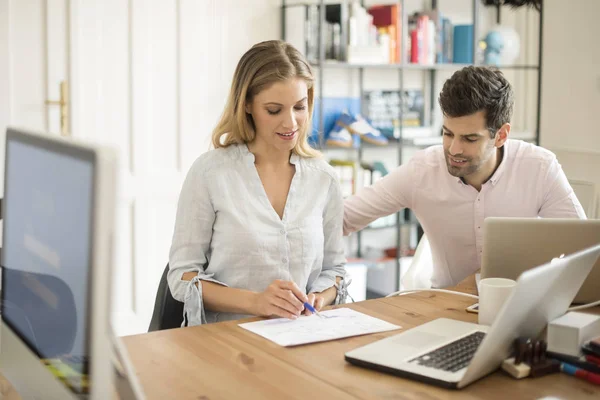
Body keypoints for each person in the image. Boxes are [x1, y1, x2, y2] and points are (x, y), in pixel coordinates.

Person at [343, 66, 586, 289]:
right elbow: (342, 219)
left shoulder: (539, 168)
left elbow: (583, 246)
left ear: (501, 135)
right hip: (444, 307)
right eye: (448, 134)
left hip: (519, 305)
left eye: (470, 139)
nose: (453, 149)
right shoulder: (422, 170)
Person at [168, 40, 348, 326]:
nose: (291, 123)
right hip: (228, 343)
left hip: (302, 336)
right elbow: (182, 276)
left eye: (299, 107)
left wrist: (319, 298)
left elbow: (335, 269)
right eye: (274, 110)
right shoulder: (210, 174)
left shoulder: (323, 178)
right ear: (248, 104)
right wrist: (256, 301)